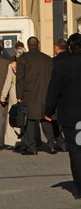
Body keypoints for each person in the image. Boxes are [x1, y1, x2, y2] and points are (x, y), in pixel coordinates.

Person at [45, 32, 81, 198]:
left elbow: (54, 90)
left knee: (76, 152)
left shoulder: (63, 65)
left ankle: (80, 188)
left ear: (69, 47)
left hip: (71, 116)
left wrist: (48, 110)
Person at [16, 36, 55, 155]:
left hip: (29, 93)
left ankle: (31, 146)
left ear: (28, 46)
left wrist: (19, 95)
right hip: (46, 93)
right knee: (46, 119)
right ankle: (51, 143)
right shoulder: (48, 59)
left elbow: (20, 79)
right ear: (38, 45)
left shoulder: (23, 59)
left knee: (30, 120)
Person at [0, 41, 26, 148]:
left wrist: (3, 96)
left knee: (13, 114)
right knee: (25, 115)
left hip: (13, 92)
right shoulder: (28, 65)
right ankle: (24, 138)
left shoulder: (12, 65)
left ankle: (12, 140)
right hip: (25, 92)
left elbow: (7, 82)